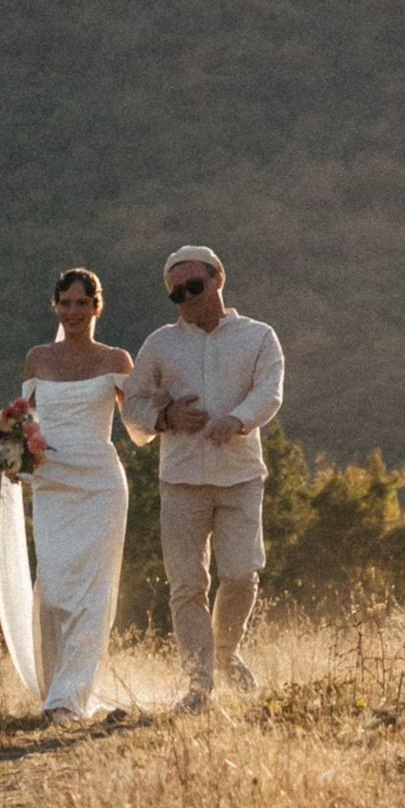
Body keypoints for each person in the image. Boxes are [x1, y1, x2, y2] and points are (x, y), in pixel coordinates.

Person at [124, 247, 285, 708]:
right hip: (181, 479)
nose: (187, 298)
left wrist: (236, 419)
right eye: (177, 294)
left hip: (240, 475)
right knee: (188, 583)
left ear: (218, 280)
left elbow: (269, 391)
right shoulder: (159, 343)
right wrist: (167, 416)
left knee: (241, 574)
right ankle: (198, 686)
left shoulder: (259, 336)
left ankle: (227, 652)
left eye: (194, 287)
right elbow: (132, 405)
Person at [6, 267, 146, 721]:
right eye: (65, 303)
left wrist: (162, 405)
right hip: (52, 485)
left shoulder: (115, 360)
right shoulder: (38, 359)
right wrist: (4, 448)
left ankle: (67, 698)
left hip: (102, 485)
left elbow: (138, 429)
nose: (73, 312)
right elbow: (23, 421)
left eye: (81, 304)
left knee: (92, 592)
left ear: (96, 307)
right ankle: (58, 685)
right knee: (53, 589)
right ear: (55, 306)